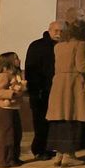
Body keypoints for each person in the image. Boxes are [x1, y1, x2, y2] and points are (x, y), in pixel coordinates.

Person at [45, 19, 85, 166]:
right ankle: (69, 155)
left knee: (60, 119)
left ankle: (59, 154)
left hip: (58, 84)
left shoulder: (58, 46)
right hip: (73, 85)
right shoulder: (80, 45)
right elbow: (82, 66)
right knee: (72, 117)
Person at [24, 22, 59, 160]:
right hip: (40, 90)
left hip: (53, 89)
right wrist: (34, 89)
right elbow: (31, 69)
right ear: (49, 30)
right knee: (40, 122)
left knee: (50, 122)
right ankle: (38, 149)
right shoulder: (37, 46)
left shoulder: (59, 46)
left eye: (61, 31)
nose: (59, 34)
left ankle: (48, 147)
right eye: (56, 30)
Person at [0, 52, 27, 168]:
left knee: (16, 133)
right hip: (4, 109)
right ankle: (4, 159)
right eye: (16, 59)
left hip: (13, 108)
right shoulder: (3, 76)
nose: (19, 60)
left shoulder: (16, 76)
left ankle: (14, 157)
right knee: (7, 134)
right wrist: (12, 93)